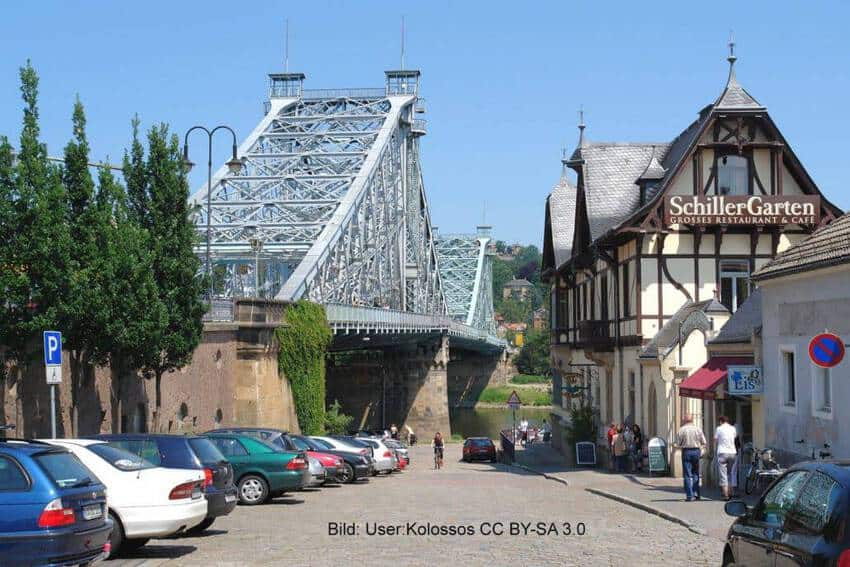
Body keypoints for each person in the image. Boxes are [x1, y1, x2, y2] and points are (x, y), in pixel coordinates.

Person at [676, 415, 707, 502]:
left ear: (685, 420)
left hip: (686, 451)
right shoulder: (698, 429)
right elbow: (704, 442)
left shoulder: (681, 430)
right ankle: (696, 493)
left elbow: (678, 443)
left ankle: (689, 496)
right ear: (692, 420)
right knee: (696, 473)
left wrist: (679, 445)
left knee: (687, 474)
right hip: (696, 451)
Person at [714, 415, 738, 500]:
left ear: (721, 421)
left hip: (722, 452)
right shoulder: (733, 428)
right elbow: (734, 437)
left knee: (723, 474)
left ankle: (726, 495)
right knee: (732, 473)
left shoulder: (719, 428)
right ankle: (731, 492)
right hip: (732, 452)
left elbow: (715, 439)